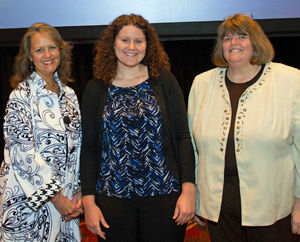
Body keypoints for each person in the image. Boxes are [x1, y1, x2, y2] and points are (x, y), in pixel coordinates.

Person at [80, 13, 195, 242]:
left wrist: (189, 190)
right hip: (112, 200)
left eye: (139, 41)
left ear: (147, 46)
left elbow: (183, 137)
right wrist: (89, 201)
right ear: (112, 44)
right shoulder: (95, 89)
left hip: (164, 197)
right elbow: (90, 148)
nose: (131, 47)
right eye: (124, 40)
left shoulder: (164, 80)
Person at [188, 13, 300, 242]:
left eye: (242, 36)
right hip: (220, 206)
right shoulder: (202, 83)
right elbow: (192, 146)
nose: (233, 43)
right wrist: (199, 198)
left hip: (274, 206)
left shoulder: (290, 80)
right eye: (227, 38)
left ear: (256, 42)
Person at [0, 23, 83, 241]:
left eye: (52, 47)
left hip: (67, 203)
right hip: (29, 206)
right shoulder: (20, 97)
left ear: (60, 51)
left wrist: (79, 192)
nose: (47, 55)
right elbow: (22, 154)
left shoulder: (70, 95)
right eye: (39, 50)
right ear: (29, 57)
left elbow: (78, 147)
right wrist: (55, 198)